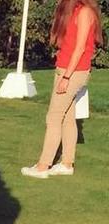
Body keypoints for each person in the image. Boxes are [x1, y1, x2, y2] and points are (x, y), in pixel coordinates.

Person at [21, 0, 102, 179]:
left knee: (54, 117)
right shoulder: (73, 10)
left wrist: (66, 77)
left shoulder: (85, 12)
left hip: (73, 72)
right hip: (66, 69)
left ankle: (43, 166)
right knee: (67, 117)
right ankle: (66, 163)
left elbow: (80, 48)